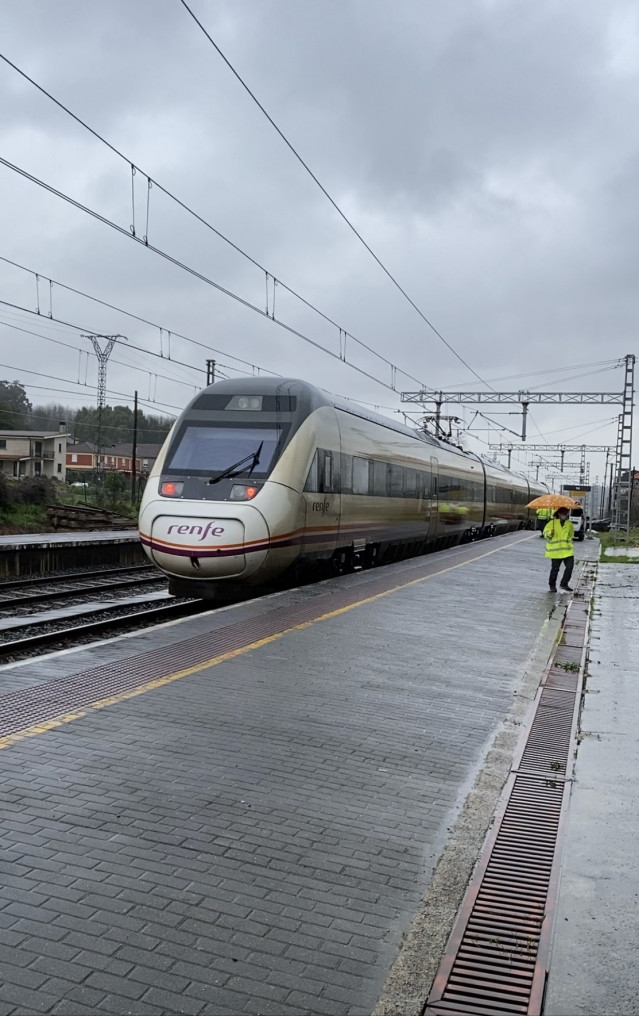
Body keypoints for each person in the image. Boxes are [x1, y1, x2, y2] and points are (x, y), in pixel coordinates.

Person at [543, 507, 575, 592]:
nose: (565, 515)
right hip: (556, 551)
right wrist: (550, 533)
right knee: (555, 569)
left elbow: (571, 535)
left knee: (570, 567)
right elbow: (545, 534)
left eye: (566, 513)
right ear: (559, 513)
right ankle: (552, 585)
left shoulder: (569, 524)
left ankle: (564, 584)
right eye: (563, 513)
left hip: (567, 550)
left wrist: (569, 542)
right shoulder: (552, 523)